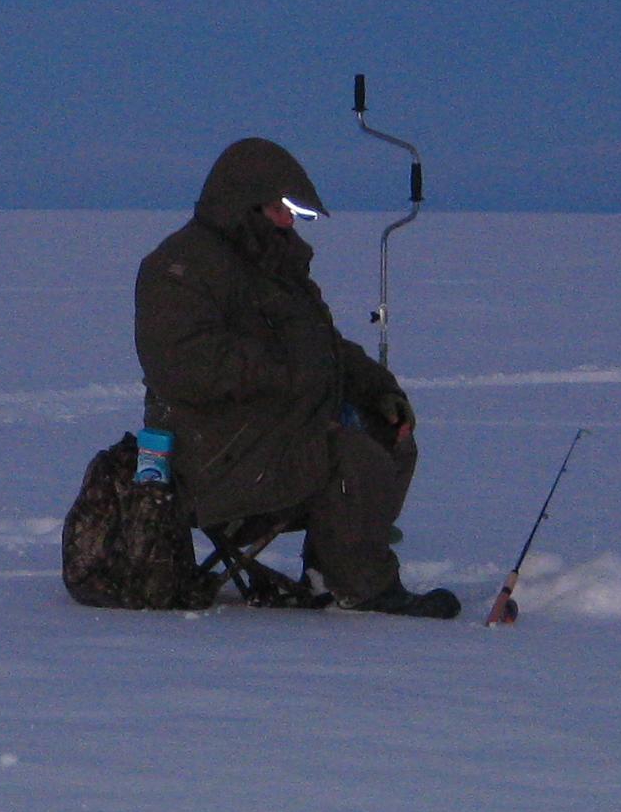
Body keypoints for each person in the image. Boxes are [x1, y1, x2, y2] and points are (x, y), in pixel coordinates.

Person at [134, 137, 459, 617]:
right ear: (244, 205)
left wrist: (379, 391)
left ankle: (329, 567)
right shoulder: (180, 267)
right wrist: (286, 371)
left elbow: (325, 347)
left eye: (294, 212)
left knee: (388, 434)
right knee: (348, 454)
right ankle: (363, 587)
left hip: (271, 433)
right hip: (214, 453)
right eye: (281, 209)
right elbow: (184, 365)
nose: (289, 222)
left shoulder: (274, 266)